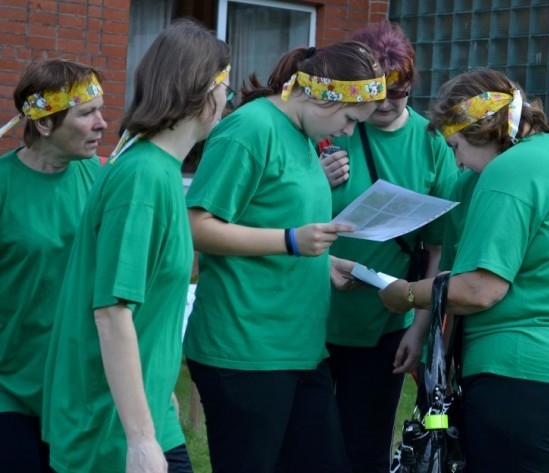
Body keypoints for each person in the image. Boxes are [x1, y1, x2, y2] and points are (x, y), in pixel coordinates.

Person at [379, 67, 549, 473]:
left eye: (456, 145)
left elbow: (482, 290)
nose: (458, 162)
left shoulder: (508, 172)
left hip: (528, 377)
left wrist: (404, 294)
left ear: (481, 130)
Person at [183, 42, 386, 473]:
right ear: (320, 95)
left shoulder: (303, 136)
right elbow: (196, 226)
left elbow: (270, 218)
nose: (350, 132)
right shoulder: (250, 129)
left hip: (300, 350)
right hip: (246, 351)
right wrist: (292, 241)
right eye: (350, 118)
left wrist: (325, 264)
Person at [41, 19, 231, 473]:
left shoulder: (157, 168)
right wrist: (141, 441)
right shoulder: (142, 178)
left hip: (143, 413)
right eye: (225, 85)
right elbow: (111, 313)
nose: (229, 100)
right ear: (202, 91)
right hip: (109, 431)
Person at [317, 22, 459, 473]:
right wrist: (312, 179)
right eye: (376, 94)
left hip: (384, 321)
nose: (384, 104)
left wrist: (418, 330)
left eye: (396, 95)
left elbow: (438, 249)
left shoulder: (431, 142)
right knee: (311, 445)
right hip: (313, 315)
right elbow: (281, 214)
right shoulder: (332, 126)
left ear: (410, 86)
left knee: (367, 447)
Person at [0, 58, 106, 473]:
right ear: (44, 123)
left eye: (100, 109)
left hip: (80, 386)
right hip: (10, 387)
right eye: (87, 114)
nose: (102, 123)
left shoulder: (100, 179)